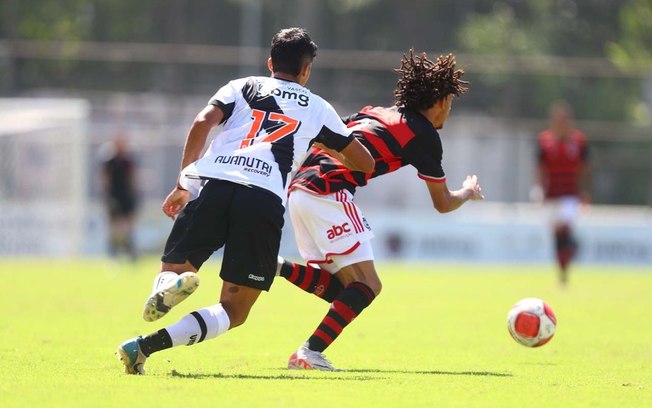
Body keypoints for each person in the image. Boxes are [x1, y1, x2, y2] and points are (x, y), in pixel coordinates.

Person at [115, 27, 374, 375]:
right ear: (306, 70)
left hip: (214, 186)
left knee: (176, 268)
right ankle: (143, 347)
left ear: (270, 63)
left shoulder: (242, 86)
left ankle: (168, 286)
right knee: (234, 310)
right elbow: (365, 162)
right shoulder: (318, 108)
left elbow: (202, 122)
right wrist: (325, 145)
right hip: (262, 199)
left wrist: (182, 183)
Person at [277, 51, 484, 371]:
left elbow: (322, 139)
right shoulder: (423, 134)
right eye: (450, 104)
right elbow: (442, 203)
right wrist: (468, 192)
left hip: (300, 188)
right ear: (441, 101)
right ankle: (308, 353)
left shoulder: (374, 113)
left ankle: (273, 266)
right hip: (327, 192)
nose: (449, 112)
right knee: (368, 285)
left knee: (345, 290)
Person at [535, 101, 590, 286]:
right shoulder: (544, 141)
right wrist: (539, 190)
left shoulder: (579, 141)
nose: (562, 123)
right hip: (551, 194)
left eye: (565, 120)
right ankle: (564, 268)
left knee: (564, 228)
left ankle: (569, 255)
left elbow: (585, 169)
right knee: (557, 235)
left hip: (570, 195)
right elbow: (539, 168)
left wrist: (585, 192)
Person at [100, 134, 139, 261]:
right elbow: (105, 179)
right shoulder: (109, 161)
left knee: (128, 225)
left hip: (126, 196)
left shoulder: (128, 161)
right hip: (114, 195)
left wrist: (133, 194)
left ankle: (130, 251)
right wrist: (108, 195)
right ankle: (113, 253)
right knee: (114, 225)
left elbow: (132, 178)